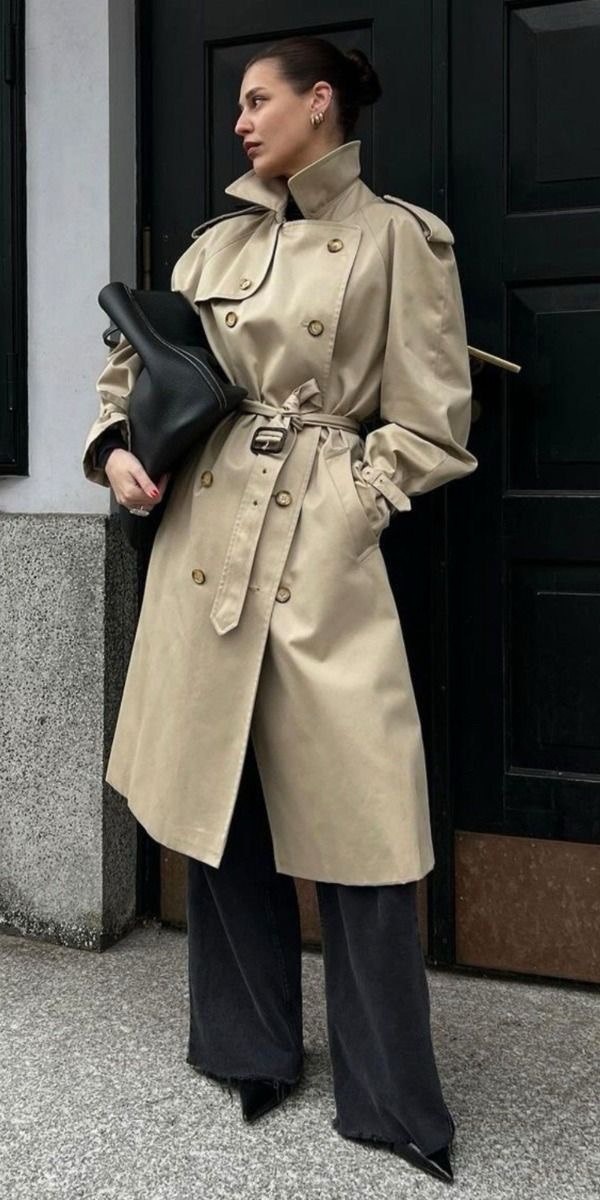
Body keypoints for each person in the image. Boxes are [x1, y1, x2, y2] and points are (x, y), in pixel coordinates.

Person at [83, 35, 478, 1186]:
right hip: (205, 544)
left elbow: (435, 420)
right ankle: (245, 1048)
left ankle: (390, 1099)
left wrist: (356, 494)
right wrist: (114, 452)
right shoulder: (214, 245)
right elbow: (129, 375)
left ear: (322, 101)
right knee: (222, 801)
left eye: (261, 100)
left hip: (318, 549)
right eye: (239, 104)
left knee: (363, 822)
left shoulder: (399, 239)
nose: (242, 121)